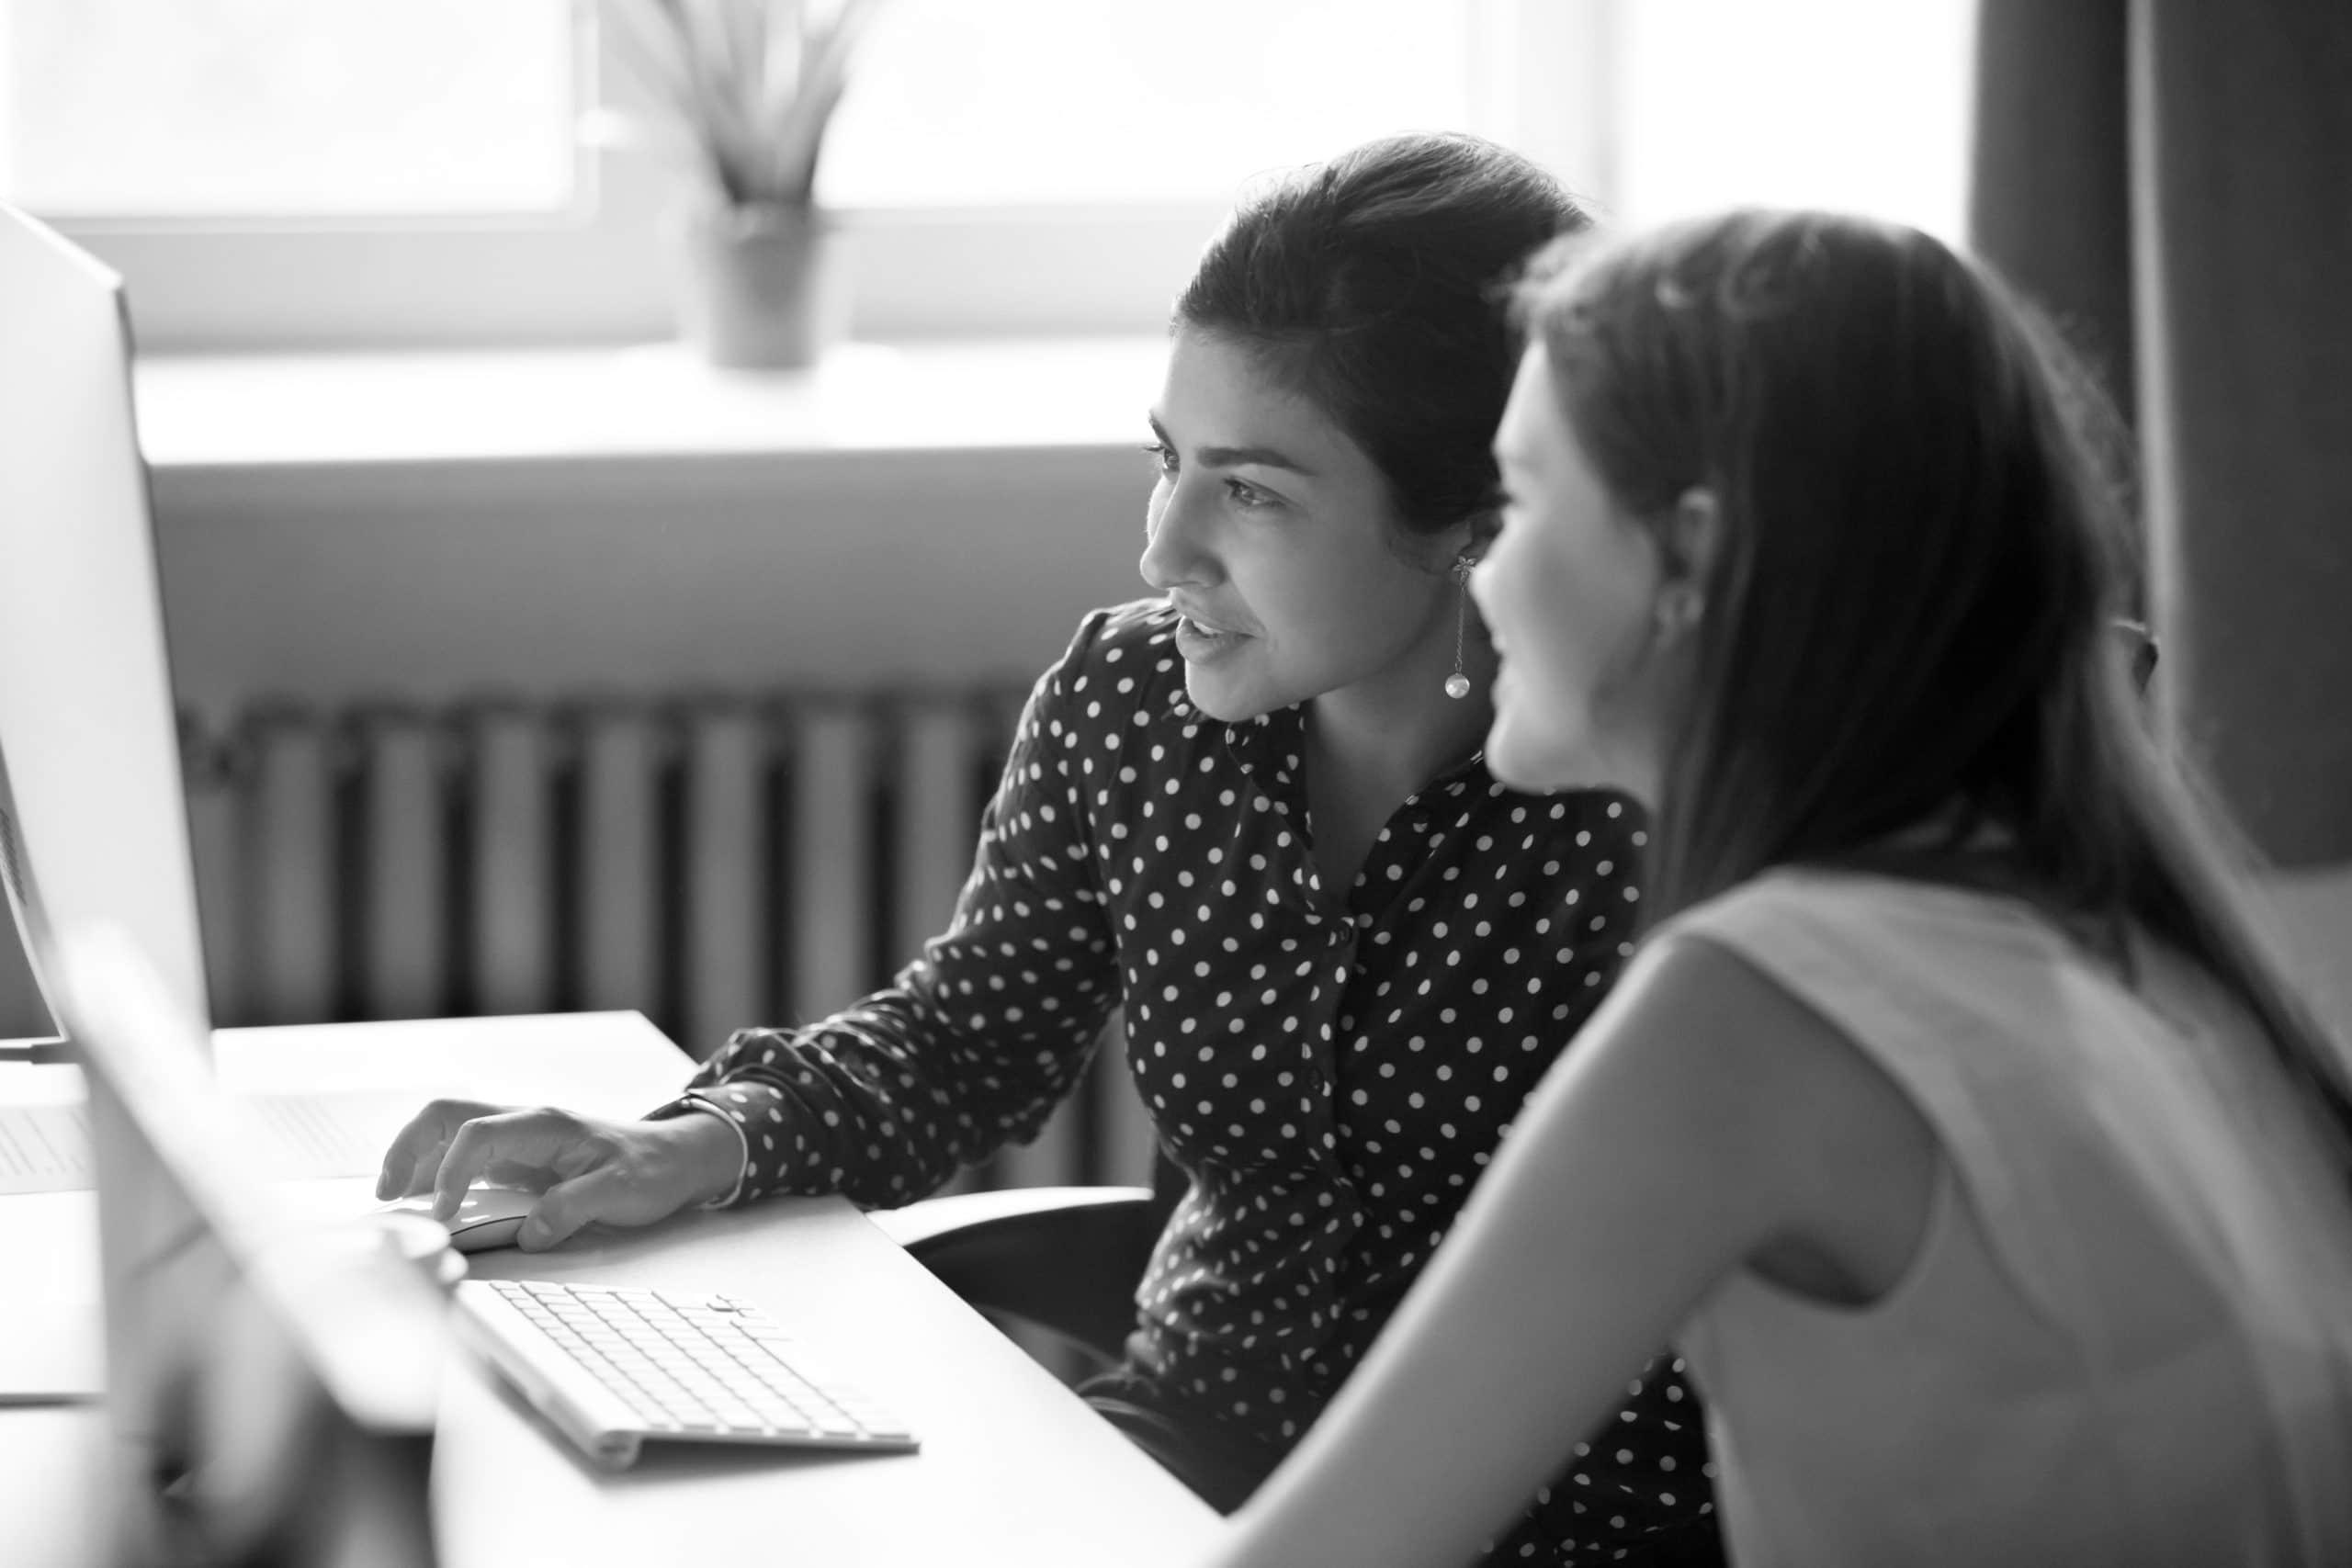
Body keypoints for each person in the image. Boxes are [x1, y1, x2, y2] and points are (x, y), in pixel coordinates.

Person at [377, 132, 1724, 1564]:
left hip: (1567, 1531)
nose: (1165, 550)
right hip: (1182, 1460)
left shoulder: (1640, 802)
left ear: (1473, 520)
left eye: (1253, 492)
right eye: (1169, 461)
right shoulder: (1135, 704)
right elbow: (967, 1037)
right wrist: (693, 1143)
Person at [1201, 208, 2352, 1568]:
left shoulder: (1747, 1016)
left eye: (1524, 500)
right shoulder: (2117, 943)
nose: (1485, 573)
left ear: (1685, 559)